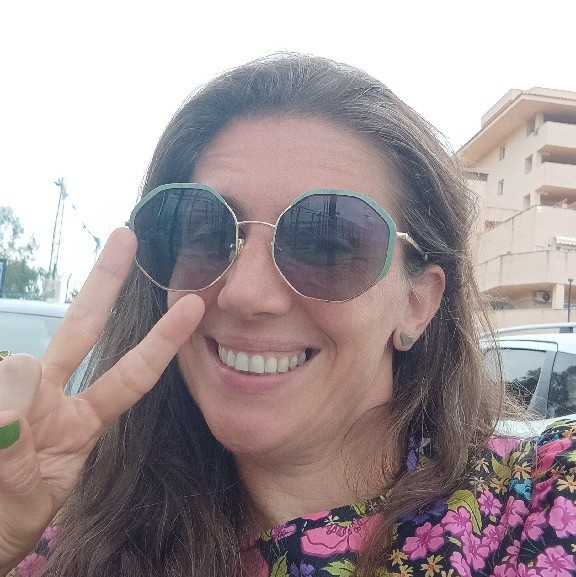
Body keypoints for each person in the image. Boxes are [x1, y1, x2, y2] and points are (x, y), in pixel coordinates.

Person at [0, 53, 575, 577]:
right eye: (205, 231)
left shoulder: (546, 505)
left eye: (327, 244)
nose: (245, 294)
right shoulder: (66, 528)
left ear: (417, 302)